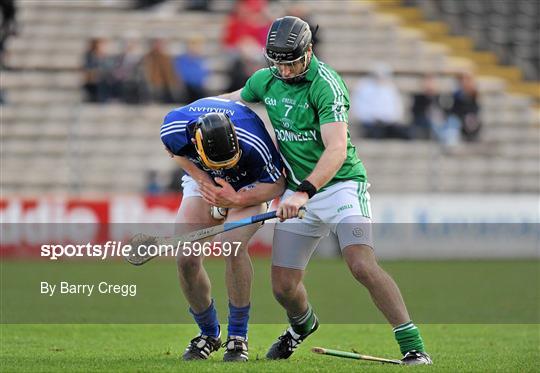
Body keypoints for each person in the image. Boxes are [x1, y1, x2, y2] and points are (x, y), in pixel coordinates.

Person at [218, 16, 432, 365]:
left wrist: (303, 192)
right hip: (298, 193)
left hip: (340, 186)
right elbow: (232, 101)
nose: (285, 72)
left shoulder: (326, 85)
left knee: (361, 263)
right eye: (278, 64)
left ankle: (413, 345)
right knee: (284, 287)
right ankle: (301, 327)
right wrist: (196, 112)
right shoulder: (266, 79)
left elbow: (335, 149)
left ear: (309, 51)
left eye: (291, 64)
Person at [160, 98, 285, 362]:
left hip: (247, 186)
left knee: (233, 245)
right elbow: (176, 153)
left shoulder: (255, 143)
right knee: (186, 257)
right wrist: (205, 181)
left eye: (229, 160)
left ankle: (238, 337)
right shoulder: (174, 127)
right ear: (197, 144)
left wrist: (235, 200)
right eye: (220, 162)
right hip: (203, 180)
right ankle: (209, 334)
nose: (225, 168)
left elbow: (276, 185)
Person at [351, 64, 410, 139]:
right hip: (370, 123)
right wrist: (373, 118)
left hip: (388, 123)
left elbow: (397, 109)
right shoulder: (363, 87)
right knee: (375, 133)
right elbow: (359, 108)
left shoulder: (391, 88)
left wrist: (387, 119)